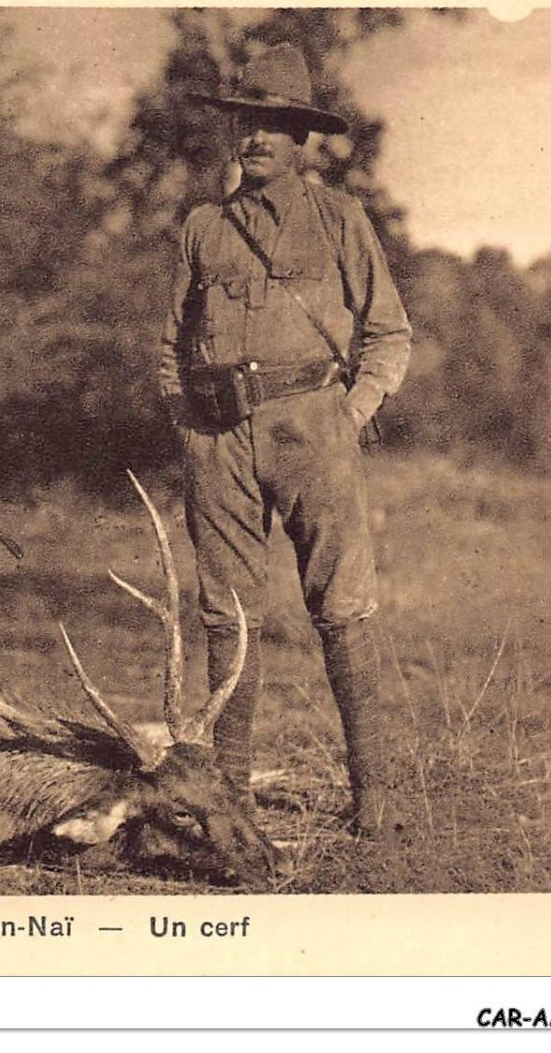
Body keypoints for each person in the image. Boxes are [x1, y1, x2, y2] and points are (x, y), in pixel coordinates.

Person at [159, 43, 413, 838]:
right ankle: (230, 797)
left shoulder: (339, 220)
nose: (256, 138)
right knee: (228, 614)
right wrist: (192, 428)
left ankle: (372, 797)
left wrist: (353, 410)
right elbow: (169, 345)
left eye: (274, 126)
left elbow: (389, 332)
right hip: (219, 438)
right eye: (246, 123)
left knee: (342, 607)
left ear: (303, 139)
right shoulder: (204, 227)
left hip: (313, 428)